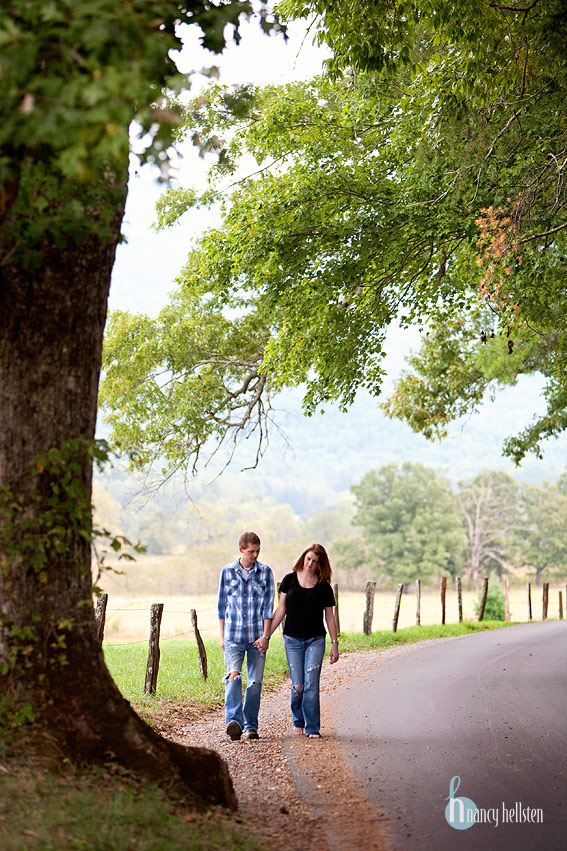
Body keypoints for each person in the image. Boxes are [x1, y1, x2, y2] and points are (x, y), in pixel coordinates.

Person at [259, 543, 339, 738]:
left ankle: (312, 728)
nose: (310, 563)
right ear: (304, 557)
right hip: (292, 640)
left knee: (311, 683)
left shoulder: (324, 587)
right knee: (298, 685)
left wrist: (335, 644)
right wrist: (267, 635)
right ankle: (298, 719)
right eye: (308, 558)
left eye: (315, 561)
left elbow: (329, 616)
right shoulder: (289, 580)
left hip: (316, 640)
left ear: (321, 564)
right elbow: (280, 610)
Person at [217, 531, 275, 742]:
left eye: (258, 550)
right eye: (251, 551)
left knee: (255, 682)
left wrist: (266, 636)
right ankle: (234, 722)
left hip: (256, 638)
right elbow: (221, 608)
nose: (255, 555)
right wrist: (222, 637)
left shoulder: (266, 572)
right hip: (233, 636)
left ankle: (251, 725)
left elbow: (268, 608)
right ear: (241, 550)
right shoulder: (226, 572)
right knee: (233, 677)